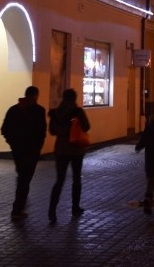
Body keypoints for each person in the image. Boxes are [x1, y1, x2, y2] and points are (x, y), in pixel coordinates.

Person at [1, 85, 47, 221]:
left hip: (17, 150)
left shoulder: (13, 110)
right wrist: (38, 147)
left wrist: (12, 143)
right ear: (36, 96)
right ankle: (17, 209)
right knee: (25, 179)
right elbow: (41, 131)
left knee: (22, 176)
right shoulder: (39, 111)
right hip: (32, 151)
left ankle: (19, 206)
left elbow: (4, 129)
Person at [47, 88, 90, 224]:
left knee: (59, 180)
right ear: (75, 98)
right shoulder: (78, 112)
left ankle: (52, 211)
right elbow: (87, 127)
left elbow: (52, 131)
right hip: (76, 149)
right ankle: (75, 207)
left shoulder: (55, 113)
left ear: (63, 98)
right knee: (76, 179)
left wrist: (63, 131)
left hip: (61, 150)